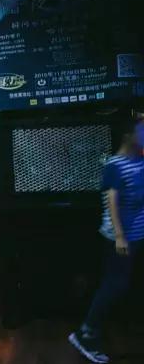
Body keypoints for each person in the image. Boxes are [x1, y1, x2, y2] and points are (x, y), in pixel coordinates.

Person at [68, 117, 144, 363]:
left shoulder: (139, 161)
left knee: (123, 284)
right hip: (119, 238)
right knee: (114, 285)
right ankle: (86, 334)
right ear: (128, 136)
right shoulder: (115, 164)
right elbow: (112, 201)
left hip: (138, 234)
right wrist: (120, 236)